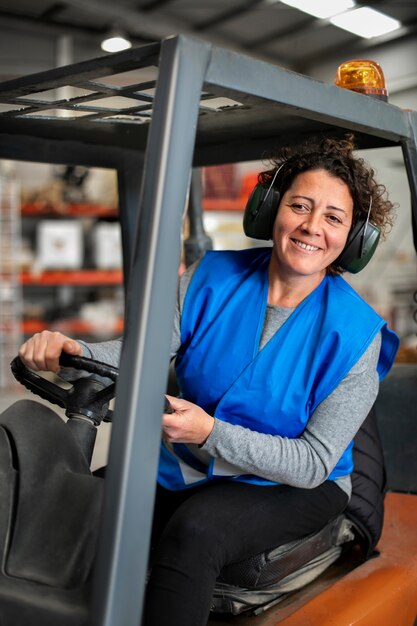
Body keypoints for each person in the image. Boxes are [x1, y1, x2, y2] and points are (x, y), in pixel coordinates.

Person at [19, 135, 399, 626]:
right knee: (81, 506)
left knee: (197, 531)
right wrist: (73, 352)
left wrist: (210, 434)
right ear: (270, 209)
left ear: (355, 238)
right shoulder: (212, 276)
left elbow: (310, 463)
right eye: (299, 206)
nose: (311, 227)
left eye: (333, 217)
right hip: (192, 459)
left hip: (295, 482)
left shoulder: (356, 333)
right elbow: (142, 353)